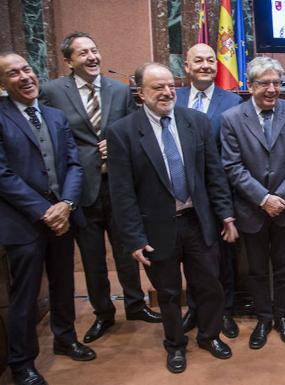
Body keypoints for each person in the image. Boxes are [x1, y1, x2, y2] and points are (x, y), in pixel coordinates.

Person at [107, 62, 239, 373]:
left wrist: (226, 216)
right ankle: (176, 345)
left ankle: (209, 336)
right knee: (167, 293)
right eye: (158, 87)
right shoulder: (122, 132)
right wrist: (134, 239)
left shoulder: (197, 122)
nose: (167, 93)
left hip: (198, 222)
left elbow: (214, 176)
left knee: (210, 286)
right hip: (156, 229)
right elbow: (121, 193)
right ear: (140, 93)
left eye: (170, 86)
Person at [39, 31, 161, 344]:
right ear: (69, 61)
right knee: (92, 258)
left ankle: (135, 305)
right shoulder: (51, 91)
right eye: (83, 53)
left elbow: (137, 129)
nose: (92, 57)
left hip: (119, 186)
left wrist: (119, 146)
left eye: (94, 50)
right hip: (82, 189)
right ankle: (103, 313)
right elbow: (48, 134)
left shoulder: (119, 91)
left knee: (128, 250)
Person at [0, 52, 96, 385]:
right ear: (2, 83)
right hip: (23, 222)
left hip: (64, 217)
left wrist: (67, 203)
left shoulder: (55, 116)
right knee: (24, 295)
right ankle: (21, 362)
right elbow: (2, 174)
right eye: (13, 74)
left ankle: (66, 338)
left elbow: (73, 163)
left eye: (27, 69)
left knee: (63, 284)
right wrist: (44, 210)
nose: (24, 77)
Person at [220, 56, 285, 350]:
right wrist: (263, 198)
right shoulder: (232, 118)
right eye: (265, 83)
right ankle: (263, 318)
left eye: (277, 83)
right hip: (251, 210)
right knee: (256, 269)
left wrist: (279, 198)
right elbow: (232, 167)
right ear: (250, 85)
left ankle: (283, 317)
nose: (272, 89)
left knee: (284, 267)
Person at [175, 43, 242, 337]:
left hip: (219, 192)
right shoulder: (173, 98)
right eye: (198, 61)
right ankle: (195, 308)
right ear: (186, 67)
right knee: (190, 256)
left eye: (210, 61)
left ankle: (225, 311)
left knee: (222, 258)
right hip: (182, 194)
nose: (205, 65)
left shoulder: (233, 102)